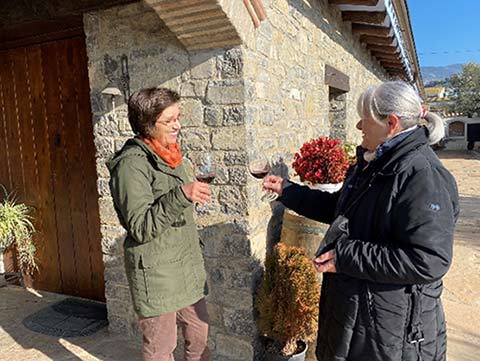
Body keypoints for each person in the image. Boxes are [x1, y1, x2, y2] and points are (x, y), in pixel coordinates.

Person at [263, 81, 459, 361]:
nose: (358, 126)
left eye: (364, 119)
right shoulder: (377, 164)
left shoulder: (422, 175)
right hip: (360, 318)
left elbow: (428, 259)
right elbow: (341, 209)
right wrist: (288, 190)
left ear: (390, 123)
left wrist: (345, 256)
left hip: (391, 332)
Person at [108, 87, 211, 361]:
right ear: (148, 124)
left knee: (199, 338)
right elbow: (140, 226)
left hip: (186, 267)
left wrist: (188, 195)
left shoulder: (170, 154)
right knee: (160, 349)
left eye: (178, 117)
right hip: (157, 273)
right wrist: (182, 195)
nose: (177, 125)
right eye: (170, 120)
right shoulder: (131, 165)